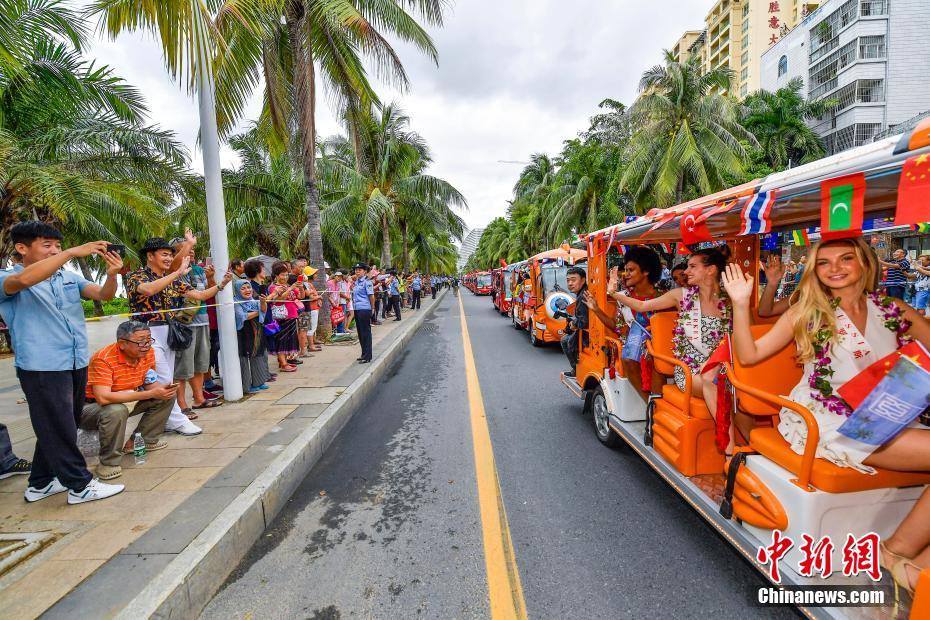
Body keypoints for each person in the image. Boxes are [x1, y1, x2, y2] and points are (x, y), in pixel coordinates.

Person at [721, 237, 930, 596]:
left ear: (865, 263)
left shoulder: (895, 309)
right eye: (824, 262)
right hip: (833, 419)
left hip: (892, 412)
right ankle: (894, 552)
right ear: (813, 270)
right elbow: (750, 354)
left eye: (846, 259)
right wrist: (741, 304)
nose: (835, 268)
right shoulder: (807, 311)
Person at [0, 221, 125, 503]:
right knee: (58, 426)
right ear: (21, 248)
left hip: (74, 361)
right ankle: (80, 486)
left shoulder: (66, 278)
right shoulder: (7, 278)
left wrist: (112, 276)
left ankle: (41, 483)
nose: (55, 250)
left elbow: (103, 295)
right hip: (41, 366)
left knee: (60, 423)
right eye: (47, 245)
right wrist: (69, 252)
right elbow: (22, 282)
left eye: (57, 245)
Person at [612, 248, 741, 440]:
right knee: (726, 387)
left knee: (743, 390)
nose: (686, 271)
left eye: (692, 267)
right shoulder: (680, 295)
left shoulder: (731, 299)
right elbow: (642, 306)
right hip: (691, 370)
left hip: (726, 367)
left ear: (711, 270)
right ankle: (730, 451)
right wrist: (614, 293)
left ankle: (753, 450)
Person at [126, 233, 232, 436]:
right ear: (150, 256)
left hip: (170, 332)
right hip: (144, 333)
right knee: (165, 378)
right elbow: (147, 290)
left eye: (169, 255)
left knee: (166, 378)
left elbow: (199, 295)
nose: (168, 259)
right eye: (164, 255)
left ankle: (165, 420)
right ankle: (177, 420)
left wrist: (221, 285)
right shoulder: (136, 276)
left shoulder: (172, 279)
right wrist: (176, 272)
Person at [80, 321, 176, 480]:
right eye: (140, 341)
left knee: (166, 396)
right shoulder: (103, 359)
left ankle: (142, 441)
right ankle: (108, 463)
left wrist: (162, 390)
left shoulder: (147, 353)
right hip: (91, 407)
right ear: (122, 344)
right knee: (116, 410)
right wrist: (147, 395)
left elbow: (149, 382)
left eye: (149, 340)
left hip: (126, 398)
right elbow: (103, 398)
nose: (146, 345)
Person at [583, 247, 663, 400]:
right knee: (634, 359)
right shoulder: (623, 298)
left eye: (631, 270)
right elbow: (616, 327)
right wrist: (596, 310)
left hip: (659, 347)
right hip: (634, 350)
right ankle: (650, 405)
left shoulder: (663, 296)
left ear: (646, 271)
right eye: (625, 270)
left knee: (657, 361)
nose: (626, 274)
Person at [169, 238, 220, 417]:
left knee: (200, 363)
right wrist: (188, 244)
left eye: (192, 249)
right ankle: (182, 405)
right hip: (184, 324)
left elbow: (208, 293)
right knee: (183, 367)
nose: (190, 251)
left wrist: (212, 278)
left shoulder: (198, 269)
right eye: (184, 249)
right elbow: (174, 265)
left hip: (202, 320)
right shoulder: (175, 270)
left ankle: (199, 398)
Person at [233, 280, 270, 394]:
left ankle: (259, 382)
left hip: (257, 332)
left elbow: (264, 310)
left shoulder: (254, 301)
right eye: (243, 288)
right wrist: (259, 310)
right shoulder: (236, 302)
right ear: (237, 290)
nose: (247, 290)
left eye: (248, 287)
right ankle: (247, 385)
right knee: (245, 358)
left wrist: (263, 302)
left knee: (258, 355)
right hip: (245, 333)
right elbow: (242, 316)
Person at [243, 259, 275, 383]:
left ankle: (265, 372)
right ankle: (263, 375)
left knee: (264, 348)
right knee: (260, 349)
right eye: (262, 268)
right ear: (257, 271)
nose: (265, 271)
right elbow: (260, 302)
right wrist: (273, 295)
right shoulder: (251, 286)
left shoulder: (261, 285)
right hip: (257, 321)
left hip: (266, 318)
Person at [266, 261, 301, 372]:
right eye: (282, 275)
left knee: (288, 340)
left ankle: (284, 362)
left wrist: (299, 287)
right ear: (276, 275)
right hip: (281, 317)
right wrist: (290, 289)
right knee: (282, 340)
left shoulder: (287, 285)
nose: (285, 277)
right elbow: (279, 300)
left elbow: (299, 296)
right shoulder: (273, 287)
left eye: (286, 275)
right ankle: (283, 363)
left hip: (291, 315)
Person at [560, 266, 589, 377]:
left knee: (565, 340)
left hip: (588, 334)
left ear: (582, 280)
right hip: (588, 331)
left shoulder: (582, 296)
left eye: (573, 280)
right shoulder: (583, 292)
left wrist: (574, 324)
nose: (570, 283)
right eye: (568, 280)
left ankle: (576, 369)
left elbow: (584, 322)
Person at [352, 263, 375, 363]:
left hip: (365, 309)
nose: (357, 271)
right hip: (357, 309)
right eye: (356, 270)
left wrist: (372, 308)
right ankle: (363, 353)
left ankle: (367, 356)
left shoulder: (367, 282)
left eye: (360, 270)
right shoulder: (357, 282)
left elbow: (371, 296)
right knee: (360, 333)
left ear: (365, 271)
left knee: (366, 333)